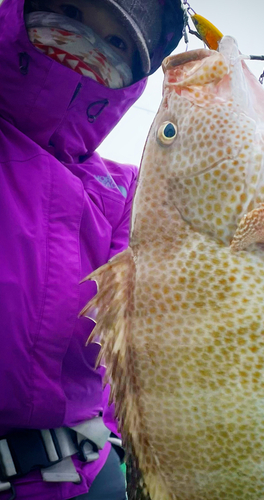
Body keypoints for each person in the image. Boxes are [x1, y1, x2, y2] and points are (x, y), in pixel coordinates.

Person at [0, 0, 184, 498]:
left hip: (92, 472)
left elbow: (147, 340)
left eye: (117, 43)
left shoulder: (129, 193)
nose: (86, 44)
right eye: (70, 11)